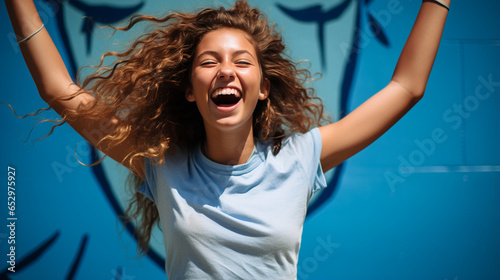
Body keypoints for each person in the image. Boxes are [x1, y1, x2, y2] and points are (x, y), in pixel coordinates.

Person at [5, 0, 450, 278]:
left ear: (263, 87)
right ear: (188, 88)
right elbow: (58, 89)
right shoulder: (163, 164)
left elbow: (407, 87)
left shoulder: (299, 158)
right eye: (209, 61)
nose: (225, 71)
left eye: (242, 61)